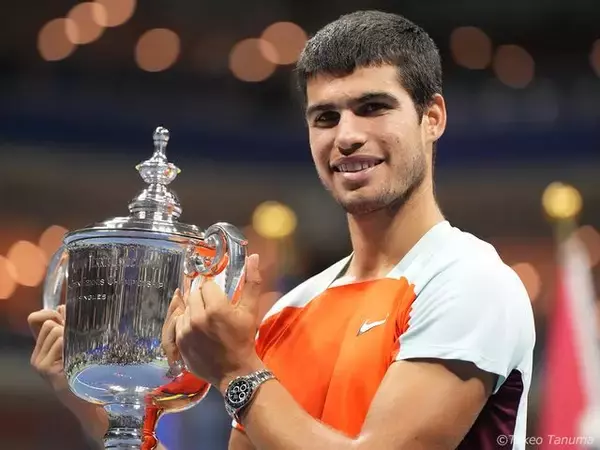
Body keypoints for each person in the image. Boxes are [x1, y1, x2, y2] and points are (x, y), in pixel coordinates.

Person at [28, 10, 536, 450]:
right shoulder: (288, 313)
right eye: (326, 117)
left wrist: (236, 369)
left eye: (373, 108)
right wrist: (106, 405)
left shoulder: (470, 282)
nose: (347, 136)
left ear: (433, 118)